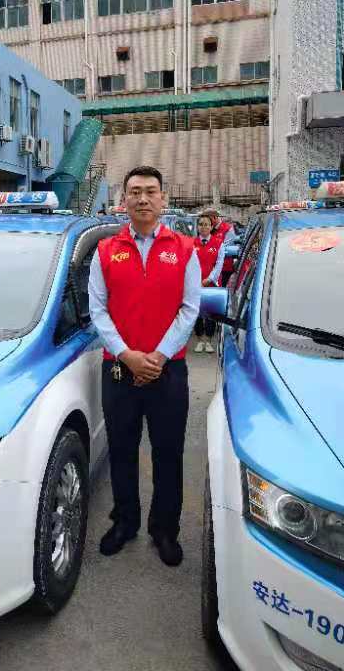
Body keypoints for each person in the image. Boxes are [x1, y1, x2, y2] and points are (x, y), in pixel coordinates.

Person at [88, 165, 201, 566]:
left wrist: (158, 356)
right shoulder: (106, 250)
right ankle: (125, 521)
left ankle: (165, 529)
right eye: (135, 192)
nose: (143, 199)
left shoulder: (185, 249)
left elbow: (190, 308)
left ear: (163, 198)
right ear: (124, 200)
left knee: (168, 453)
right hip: (119, 370)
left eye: (151, 191)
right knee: (121, 450)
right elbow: (98, 311)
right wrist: (127, 355)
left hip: (168, 372)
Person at [193, 214, 225, 354]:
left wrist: (210, 279)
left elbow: (219, 264)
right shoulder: (191, 243)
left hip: (212, 284)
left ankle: (209, 340)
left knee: (211, 312)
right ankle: (200, 340)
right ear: (197, 227)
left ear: (211, 227)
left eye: (206, 224)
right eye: (201, 224)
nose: (203, 227)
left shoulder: (219, 243)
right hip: (195, 283)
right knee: (197, 312)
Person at [202, 207, 235, 286]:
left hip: (224, 269)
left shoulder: (228, 229)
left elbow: (225, 249)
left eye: (209, 219)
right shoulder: (209, 228)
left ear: (215, 217)